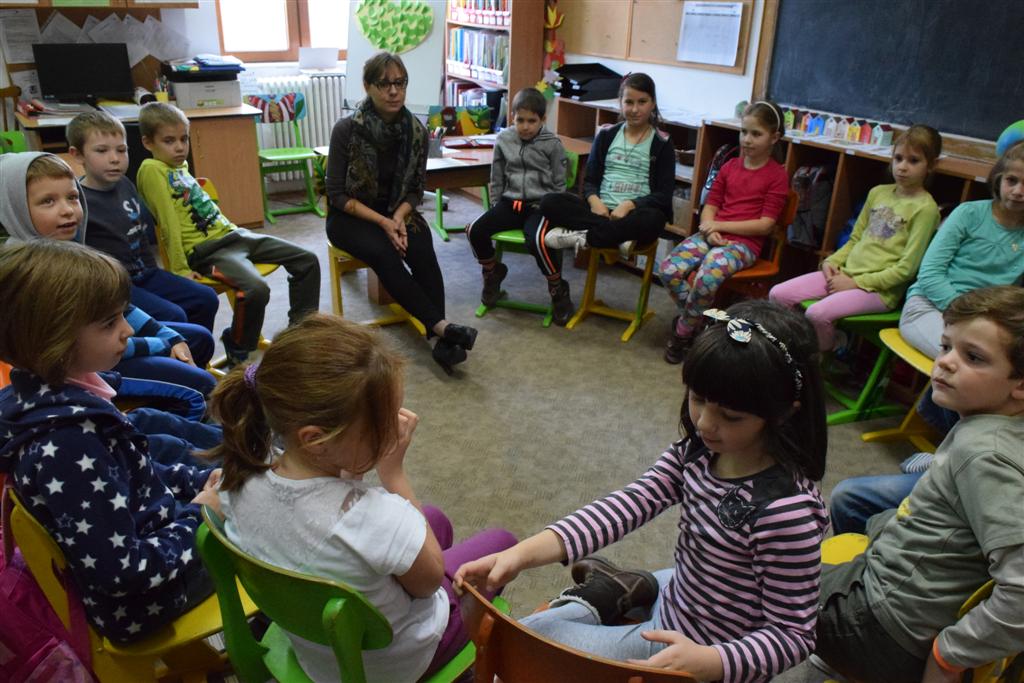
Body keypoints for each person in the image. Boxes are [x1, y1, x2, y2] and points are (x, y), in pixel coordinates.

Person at [455, 300, 829, 682]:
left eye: (730, 416)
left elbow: (793, 634)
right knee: (526, 634)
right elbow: (627, 505)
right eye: (698, 398)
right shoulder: (699, 452)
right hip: (683, 594)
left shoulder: (787, 514)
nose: (704, 423)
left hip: (697, 651)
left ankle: (624, 587)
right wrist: (520, 554)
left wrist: (711, 661)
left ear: (784, 412)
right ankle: (633, 586)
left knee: (529, 643)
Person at [199, 313, 516, 683]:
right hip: (395, 664)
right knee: (503, 544)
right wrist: (394, 474)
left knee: (436, 520)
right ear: (315, 439)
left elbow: (298, 516)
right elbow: (429, 585)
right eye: (381, 425)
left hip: (315, 650)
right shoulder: (377, 516)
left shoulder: (235, 480)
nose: (395, 427)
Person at [0, 239, 221, 643]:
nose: (128, 330)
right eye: (108, 323)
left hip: (158, 545)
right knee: (271, 542)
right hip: (147, 601)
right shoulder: (67, 443)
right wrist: (199, 515)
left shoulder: (58, 402)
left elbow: (135, 474)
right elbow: (122, 572)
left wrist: (196, 481)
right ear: (51, 338)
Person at [814, 286, 1024, 683]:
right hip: (900, 602)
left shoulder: (984, 454)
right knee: (859, 508)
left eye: (973, 357)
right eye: (946, 346)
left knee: (759, 579)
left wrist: (950, 653)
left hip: (884, 629)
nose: (945, 362)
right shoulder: (991, 430)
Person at [829, 140, 1024, 535]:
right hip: (932, 307)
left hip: (988, 322)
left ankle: (952, 454)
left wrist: (988, 325)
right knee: (964, 364)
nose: (1019, 191)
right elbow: (930, 274)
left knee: (987, 371)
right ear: (999, 179)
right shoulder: (969, 214)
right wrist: (970, 324)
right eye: (1012, 180)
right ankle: (947, 447)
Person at [0, 151, 216, 396]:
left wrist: (168, 336)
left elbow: (119, 309)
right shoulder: (33, 274)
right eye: (48, 201)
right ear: (14, 208)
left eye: (72, 197)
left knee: (198, 338)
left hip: (108, 344)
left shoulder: (70, 250)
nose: (68, 210)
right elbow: (93, 346)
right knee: (199, 382)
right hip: (84, 371)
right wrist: (161, 345)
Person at [325, 51, 478, 374]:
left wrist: (397, 217)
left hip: (396, 210)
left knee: (422, 246)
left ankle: (438, 340)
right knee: (385, 252)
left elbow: (415, 189)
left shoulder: (416, 131)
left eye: (400, 83)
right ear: (368, 86)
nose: (394, 91)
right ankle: (441, 328)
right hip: (350, 216)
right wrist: (384, 222)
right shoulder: (347, 130)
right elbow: (336, 195)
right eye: (384, 84)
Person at [136, 102, 320, 366]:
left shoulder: (179, 167)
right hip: (208, 250)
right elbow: (168, 222)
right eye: (169, 141)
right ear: (147, 142)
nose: (179, 147)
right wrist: (179, 268)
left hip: (235, 235)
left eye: (183, 139)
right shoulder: (151, 170)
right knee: (256, 289)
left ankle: (300, 332)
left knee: (307, 260)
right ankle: (238, 345)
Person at [770, 124, 943, 351]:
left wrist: (856, 283)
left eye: (913, 161)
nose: (902, 167)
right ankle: (791, 350)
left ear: (931, 165)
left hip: (879, 291)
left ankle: (826, 350)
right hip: (846, 274)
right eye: (898, 158)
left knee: (817, 313)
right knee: (778, 295)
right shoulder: (878, 193)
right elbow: (855, 239)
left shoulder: (926, 209)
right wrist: (832, 261)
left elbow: (906, 269)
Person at [538, 73, 675, 326]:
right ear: (620, 103)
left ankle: (584, 237)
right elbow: (590, 180)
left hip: (635, 214)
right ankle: (613, 235)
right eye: (628, 102)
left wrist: (630, 204)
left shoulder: (662, 143)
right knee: (549, 202)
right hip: (600, 211)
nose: (634, 109)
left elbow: (663, 195)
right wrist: (594, 201)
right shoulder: (607, 135)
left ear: (653, 103)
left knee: (654, 219)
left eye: (642, 102)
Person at [66, 110, 220, 334]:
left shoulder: (125, 185)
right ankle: (174, 351)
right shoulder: (79, 202)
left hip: (145, 274)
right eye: (102, 151)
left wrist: (159, 274)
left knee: (206, 298)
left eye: (121, 150)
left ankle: (194, 350)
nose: (114, 159)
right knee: (174, 314)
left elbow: (140, 236)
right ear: (78, 155)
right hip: (114, 286)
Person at [660, 101, 790, 363]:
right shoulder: (729, 166)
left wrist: (719, 226)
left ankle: (683, 331)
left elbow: (765, 225)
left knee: (706, 277)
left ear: (774, 137)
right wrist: (709, 229)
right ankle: (701, 321)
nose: (747, 139)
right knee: (669, 269)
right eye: (744, 132)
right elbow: (710, 206)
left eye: (756, 134)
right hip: (712, 235)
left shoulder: (777, 175)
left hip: (744, 245)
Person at [466, 87, 567, 313]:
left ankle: (557, 287)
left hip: (539, 207)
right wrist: (495, 205)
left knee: (537, 241)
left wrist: (554, 211)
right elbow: (497, 176)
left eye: (532, 121)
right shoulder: (504, 139)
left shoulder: (553, 144)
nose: (525, 126)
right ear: (512, 117)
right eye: (520, 120)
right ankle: (493, 272)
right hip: (509, 204)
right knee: (474, 230)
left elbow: (560, 184)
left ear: (543, 119)